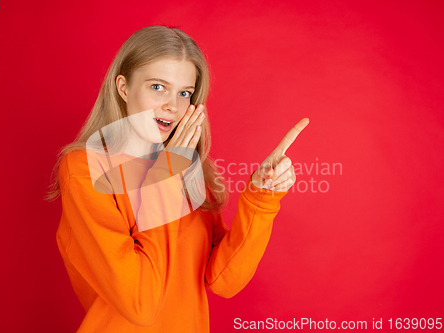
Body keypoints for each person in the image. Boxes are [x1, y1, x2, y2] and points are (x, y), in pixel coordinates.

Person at [45, 25, 308, 332]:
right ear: (123, 87)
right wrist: (166, 177)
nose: (173, 105)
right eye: (158, 87)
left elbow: (223, 280)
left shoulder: (191, 170)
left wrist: (262, 198)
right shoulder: (84, 168)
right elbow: (139, 304)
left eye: (185, 93)